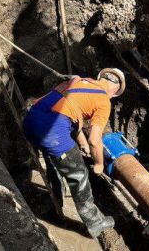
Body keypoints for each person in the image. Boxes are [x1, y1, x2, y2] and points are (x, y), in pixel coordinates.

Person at [23, 68, 125, 237]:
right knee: (79, 175)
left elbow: (70, 114)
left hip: (31, 120)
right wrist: (99, 164)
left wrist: (82, 145)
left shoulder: (79, 82)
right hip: (51, 131)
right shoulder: (104, 102)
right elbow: (95, 140)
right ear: (114, 91)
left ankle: (56, 198)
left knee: (53, 158)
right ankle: (95, 222)